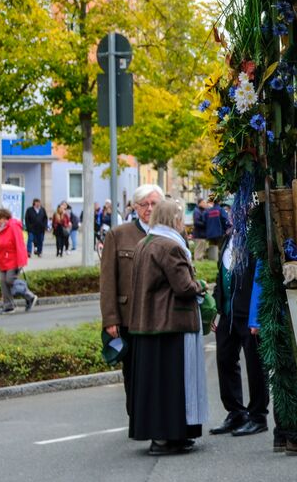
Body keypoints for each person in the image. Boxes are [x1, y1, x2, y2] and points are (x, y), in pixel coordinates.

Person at [127, 198, 208, 454]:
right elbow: (183, 287)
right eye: (180, 218)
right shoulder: (170, 246)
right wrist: (201, 286)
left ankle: (167, 436)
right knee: (173, 385)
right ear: (174, 219)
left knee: (155, 385)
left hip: (147, 322)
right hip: (171, 323)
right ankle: (168, 438)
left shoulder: (144, 243)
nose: (183, 223)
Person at [100, 184, 163, 414]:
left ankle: (157, 418)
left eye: (154, 203)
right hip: (130, 318)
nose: (149, 209)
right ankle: (136, 418)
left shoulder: (169, 232)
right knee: (134, 373)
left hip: (162, 318)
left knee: (161, 373)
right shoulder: (118, 235)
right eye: (144, 204)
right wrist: (110, 318)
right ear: (135, 207)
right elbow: (107, 280)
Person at [210, 231, 269, 436]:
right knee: (225, 360)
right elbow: (221, 275)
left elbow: (260, 278)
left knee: (255, 365)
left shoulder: (254, 238)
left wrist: (258, 315)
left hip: (248, 313)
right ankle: (236, 412)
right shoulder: (227, 237)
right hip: (228, 312)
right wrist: (216, 306)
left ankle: (258, 416)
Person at [0, 207, 38, 313]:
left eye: (0, 218)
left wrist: (21, 260)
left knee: (10, 280)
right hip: (3, 259)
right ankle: (8, 306)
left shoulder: (13, 226)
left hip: (13, 258)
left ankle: (30, 296)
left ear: (5, 217)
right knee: (3, 282)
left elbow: (19, 243)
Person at [192, 195, 230, 263]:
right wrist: (226, 229)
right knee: (220, 249)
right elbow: (225, 220)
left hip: (210, 234)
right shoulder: (220, 210)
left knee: (212, 247)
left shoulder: (207, 211)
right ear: (219, 202)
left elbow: (204, 220)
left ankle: (213, 260)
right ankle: (219, 261)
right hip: (219, 233)